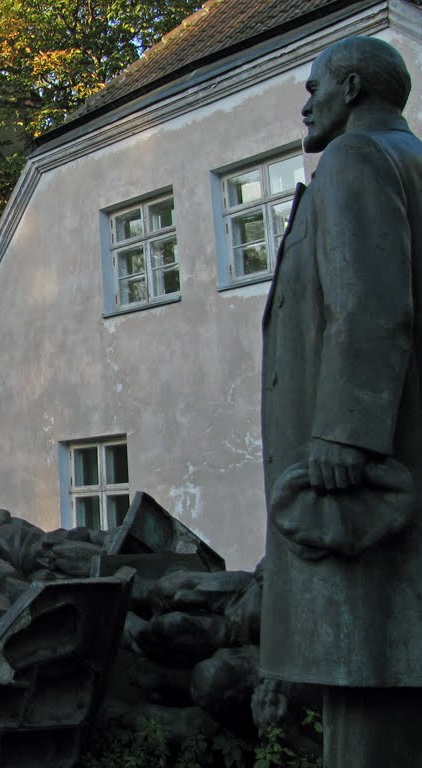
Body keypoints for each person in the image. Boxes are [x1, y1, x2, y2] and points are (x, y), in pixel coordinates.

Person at [260, 36, 422, 766]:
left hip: (357, 484)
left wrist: (343, 437)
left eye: (314, 85)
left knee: (367, 682)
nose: (307, 101)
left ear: (350, 87)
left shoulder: (356, 160)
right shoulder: (411, 160)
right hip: (405, 452)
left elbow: (369, 305)